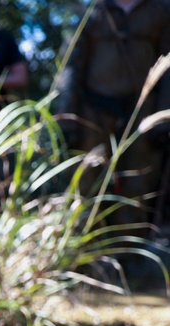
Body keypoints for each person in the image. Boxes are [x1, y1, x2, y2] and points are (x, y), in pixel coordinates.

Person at [55, 0, 170, 247]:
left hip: (143, 113)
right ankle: (84, 255)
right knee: (86, 184)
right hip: (94, 111)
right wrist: (67, 120)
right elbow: (70, 67)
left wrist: (163, 118)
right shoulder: (94, 13)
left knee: (138, 185)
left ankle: (130, 259)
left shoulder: (159, 12)